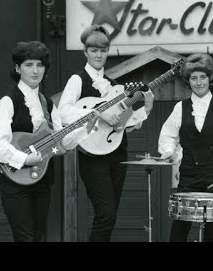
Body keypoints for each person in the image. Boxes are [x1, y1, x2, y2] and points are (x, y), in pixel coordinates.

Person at [0, 40, 97, 242]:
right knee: (25, 237)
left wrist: (85, 130)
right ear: (17, 68)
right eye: (29, 65)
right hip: (15, 181)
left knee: (38, 236)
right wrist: (24, 159)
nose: (35, 70)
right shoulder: (8, 102)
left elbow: (60, 142)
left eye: (40, 65)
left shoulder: (47, 103)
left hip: (42, 180)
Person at [58, 24, 155, 242]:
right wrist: (98, 113)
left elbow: (122, 124)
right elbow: (63, 112)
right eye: (94, 50)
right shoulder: (78, 80)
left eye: (103, 50)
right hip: (93, 158)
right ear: (85, 52)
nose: (98, 55)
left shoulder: (114, 85)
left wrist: (146, 109)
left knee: (110, 217)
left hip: (118, 153)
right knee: (106, 213)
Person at [158, 53, 213, 242]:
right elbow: (167, 136)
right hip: (188, 175)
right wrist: (170, 152)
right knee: (178, 232)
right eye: (194, 78)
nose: (199, 82)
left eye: (203, 77)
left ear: (210, 78)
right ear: (188, 81)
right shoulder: (180, 107)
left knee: (212, 234)